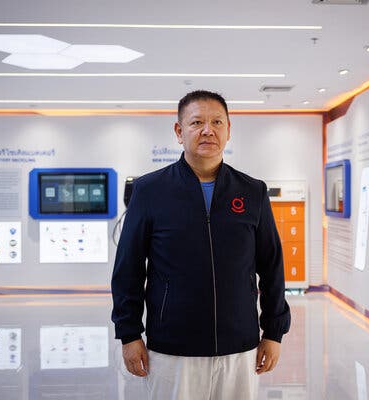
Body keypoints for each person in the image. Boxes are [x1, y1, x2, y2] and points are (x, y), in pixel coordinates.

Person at [111, 90, 291, 399]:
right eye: (196, 122)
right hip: (172, 349)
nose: (208, 130)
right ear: (179, 132)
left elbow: (272, 265)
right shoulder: (150, 190)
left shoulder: (253, 192)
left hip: (240, 346)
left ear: (228, 130)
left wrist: (273, 332)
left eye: (217, 122)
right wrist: (129, 334)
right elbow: (128, 268)